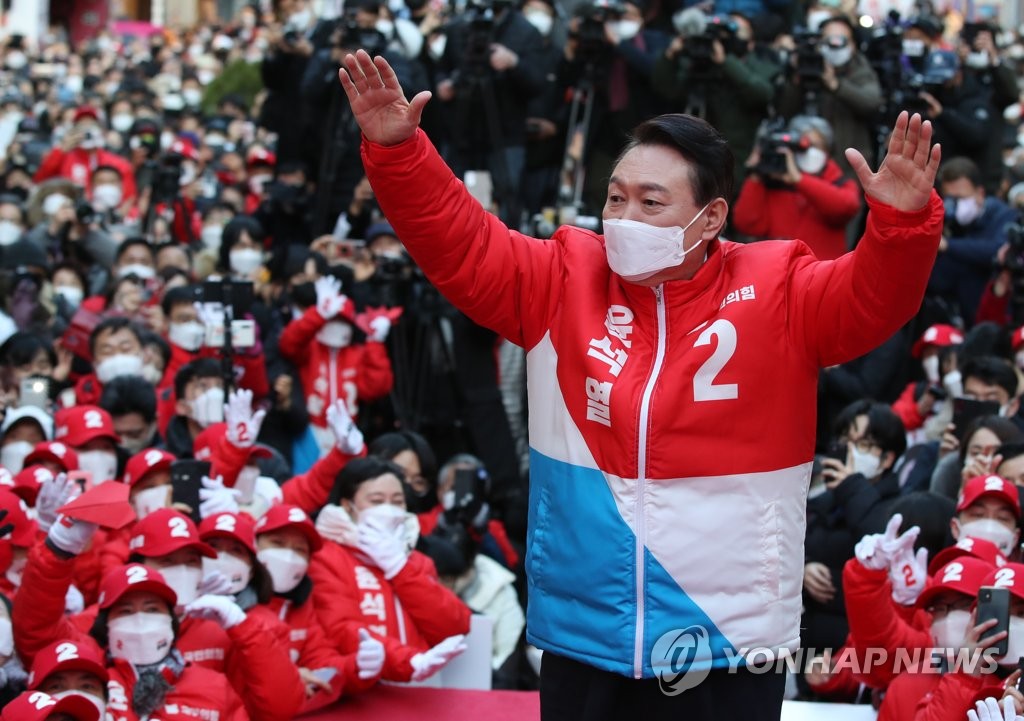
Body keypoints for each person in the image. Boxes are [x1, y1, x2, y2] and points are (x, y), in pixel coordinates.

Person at [339, 49, 943, 719]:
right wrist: (398, 152)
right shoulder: (563, 275)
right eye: (616, 197)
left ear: (710, 219)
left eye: (651, 203)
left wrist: (900, 227)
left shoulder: (779, 287)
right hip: (585, 631)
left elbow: (874, 299)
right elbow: (460, 242)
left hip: (726, 637)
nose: (623, 217)